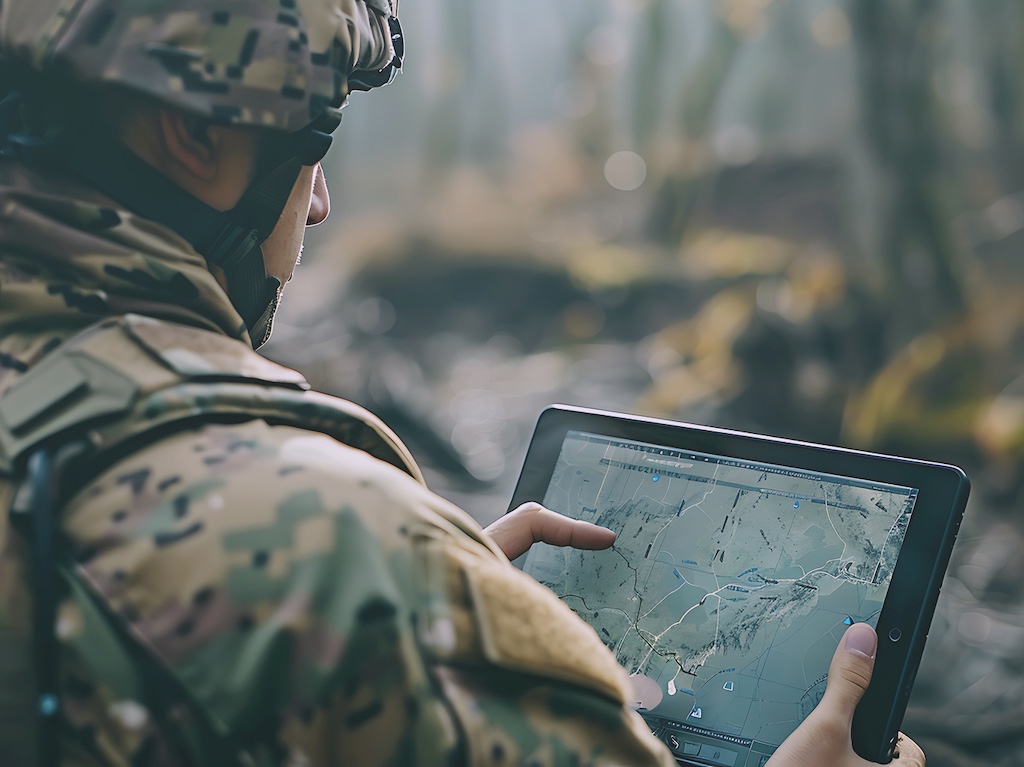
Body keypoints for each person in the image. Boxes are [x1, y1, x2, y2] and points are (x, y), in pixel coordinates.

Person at [0, 1, 926, 765]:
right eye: (311, 140)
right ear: (195, 130)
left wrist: (429, 630)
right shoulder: (335, 560)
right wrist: (392, 594)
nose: (318, 199)